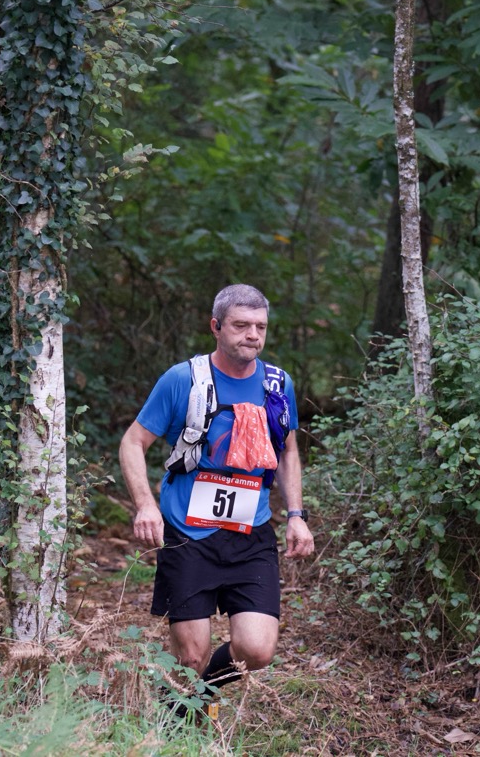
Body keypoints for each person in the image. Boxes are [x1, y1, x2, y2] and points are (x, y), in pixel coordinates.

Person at [119, 283, 315, 716]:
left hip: (250, 532)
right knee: (191, 655)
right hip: (188, 534)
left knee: (257, 650)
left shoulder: (277, 384)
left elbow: (287, 451)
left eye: (260, 326)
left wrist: (296, 515)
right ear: (216, 327)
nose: (252, 335)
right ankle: (178, 724)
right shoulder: (183, 379)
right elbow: (133, 442)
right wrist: (145, 504)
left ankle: (192, 700)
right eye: (241, 325)